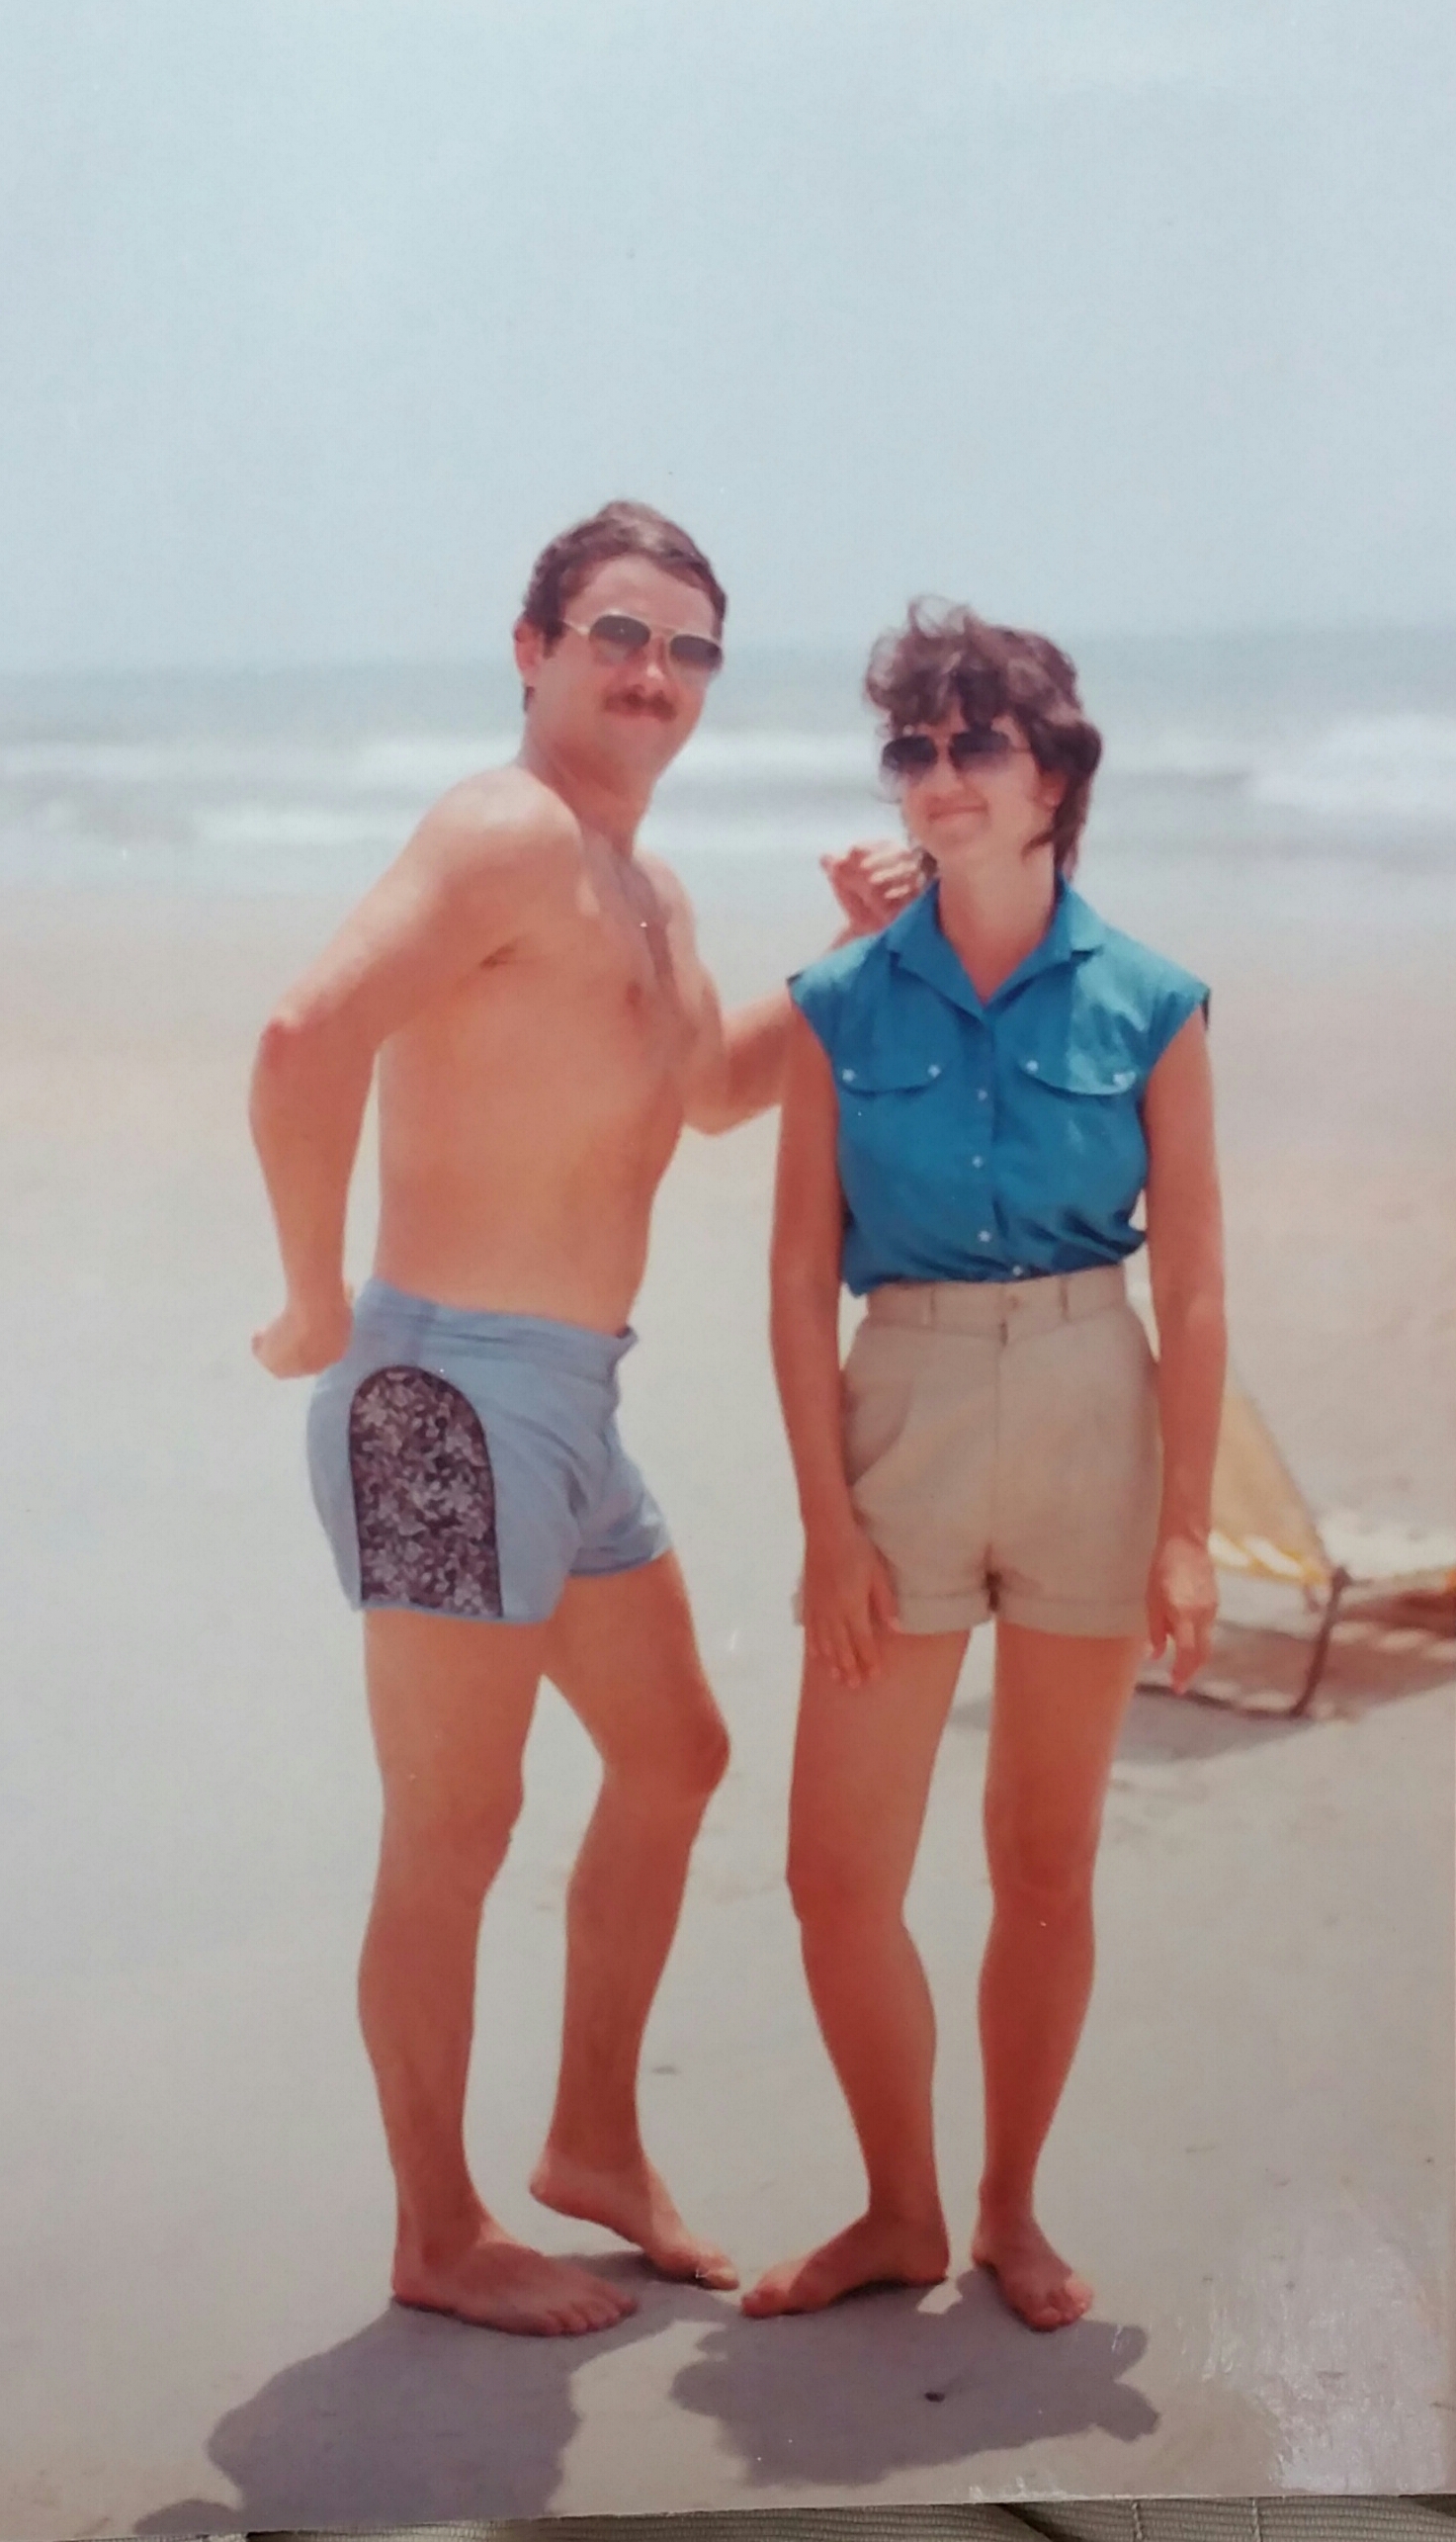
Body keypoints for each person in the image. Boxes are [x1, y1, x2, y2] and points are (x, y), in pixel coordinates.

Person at [248, 500, 917, 2339]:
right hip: (442, 1396)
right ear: (534, 649)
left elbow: (708, 1088)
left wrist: (856, 955)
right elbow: (306, 1037)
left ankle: (594, 2144)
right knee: (453, 1828)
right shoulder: (506, 833)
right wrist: (314, 1297)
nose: (655, 674)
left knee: (674, 1753)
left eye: (689, 649)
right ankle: (436, 2228)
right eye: (620, 633)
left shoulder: (643, 886)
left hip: (569, 1406)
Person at [745, 605, 1226, 2332]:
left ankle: (1011, 2211)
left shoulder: (1155, 1002)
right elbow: (795, 1283)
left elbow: (1200, 1285)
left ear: (1054, 777)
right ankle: (899, 2207)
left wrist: (1187, 1531)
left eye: (976, 745)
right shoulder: (835, 1002)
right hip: (905, 1413)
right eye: (914, 749)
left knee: (1043, 1861)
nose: (940, 776)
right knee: (834, 1874)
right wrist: (826, 1526)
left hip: (1098, 1405)